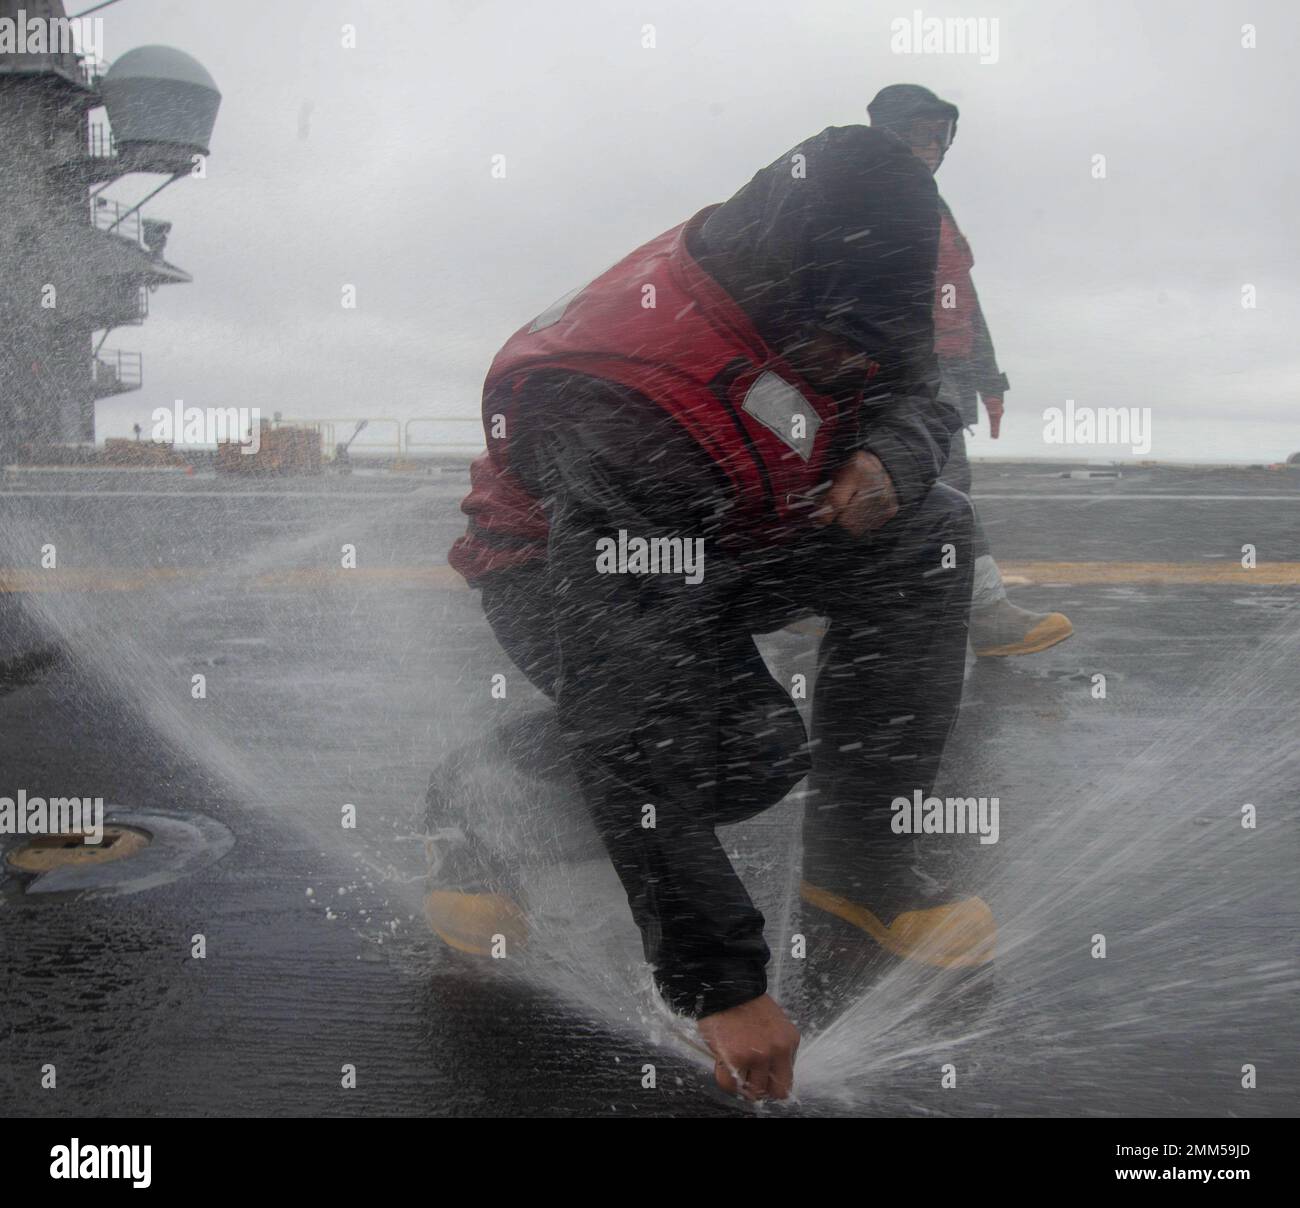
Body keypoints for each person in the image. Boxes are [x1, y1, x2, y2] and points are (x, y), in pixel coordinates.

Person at [433, 125, 995, 1102]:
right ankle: (475, 802)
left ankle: (860, 868)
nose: (847, 365)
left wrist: (890, 459)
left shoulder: (853, 281)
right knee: (738, 754)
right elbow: (627, 716)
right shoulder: (615, 396)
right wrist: (720, 981)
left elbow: (917, 387)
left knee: (932, 528)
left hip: (734, 518)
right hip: (562, 560)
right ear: (776, 291)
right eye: (829, 346)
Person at [868, 84, 1073, 656]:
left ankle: (810, 600)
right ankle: (985, 615)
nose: (933, 142)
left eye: (941, 133)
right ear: (890, 129)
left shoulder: (933, 204)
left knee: (930, 484)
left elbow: (964, 298)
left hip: (944, 371)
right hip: (897, 372)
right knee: (944, 483)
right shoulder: (863, 193)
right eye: (921, 130)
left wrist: (990, 380)